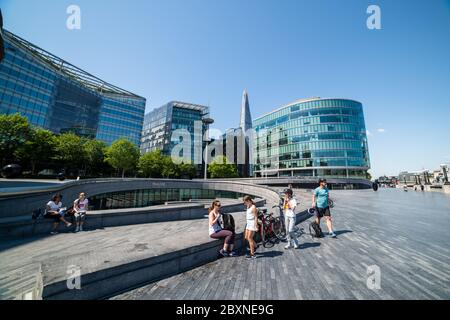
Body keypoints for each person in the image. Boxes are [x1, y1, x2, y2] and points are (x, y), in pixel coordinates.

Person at [243, 195, 258, 259]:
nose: (244, 203)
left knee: (249, 238)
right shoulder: (248, 206)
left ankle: (252, 254)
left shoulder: (253, 207)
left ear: (248, 201)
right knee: (246, 237)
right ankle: (255, 245)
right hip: (248, 223)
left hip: (252, 223)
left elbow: (256, 217)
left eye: (245, 202)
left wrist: (256, 226)